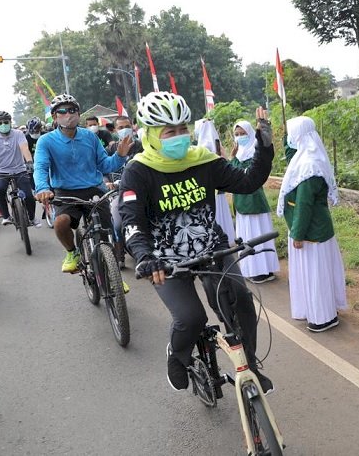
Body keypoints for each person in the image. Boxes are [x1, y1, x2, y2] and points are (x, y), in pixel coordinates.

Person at [119, 91, 275, 393]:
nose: (179, 137)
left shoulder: (204, 160)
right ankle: (177, 356)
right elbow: (131, 221)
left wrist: (264, 147)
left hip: (211, 247)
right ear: (151, 134)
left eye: (182, 129)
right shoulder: (137, 172)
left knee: (241, 301)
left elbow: (247, 181)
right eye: (170, 132)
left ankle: (251, 365)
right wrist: (144, 256)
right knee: (191, 318)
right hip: (163, 259)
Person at [34, 94, 130, 272]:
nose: (68, 114)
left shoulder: (89, 137)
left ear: (79, 114)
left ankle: (114, 276)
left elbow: (105, 165)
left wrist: (120, 156)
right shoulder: (46, 141)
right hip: (65, 192)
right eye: (62, 111)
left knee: (107, 235)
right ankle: (72, 252)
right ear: (55, 117)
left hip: (94, 189)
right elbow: (40, 167)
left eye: (72, 110)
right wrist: (42, 188)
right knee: (60, 223)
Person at [277, 116, 347, 332]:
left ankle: (323, 317)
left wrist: (297, 234)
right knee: (319, 275)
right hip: (315, 229)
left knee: (316, 276)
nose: (289, 138)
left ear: (299, 135)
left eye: (291, 134)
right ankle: (323, 312)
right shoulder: (306, 157)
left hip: (311, 231)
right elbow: (291, 154)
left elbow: (304, 205)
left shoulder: (308, 166)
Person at [230, 120, 280, 283]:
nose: (239, 137)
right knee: (247, 235)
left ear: (250, 134)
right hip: (241, 202)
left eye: (242, 134)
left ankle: (264, 270)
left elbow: (258, 168)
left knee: (259, 235)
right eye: (236, 135)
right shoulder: (237, 154)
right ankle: (253, 270)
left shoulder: (255, 153)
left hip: (254, 201)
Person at [105, 115, 144, 268]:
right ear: (115, 130)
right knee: (117, 224)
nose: (124, 129)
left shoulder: (143, 147)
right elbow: (101, 170)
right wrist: (108, 183)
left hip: (142, 192)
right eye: (120, 127)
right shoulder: (110, 150)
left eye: (127, 126)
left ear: (133, 126)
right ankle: (119, 254)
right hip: (118, 195)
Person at [194, 118, 236, 246]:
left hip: (208, 189)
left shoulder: (201, 148)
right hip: (219, 188)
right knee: (221, 212)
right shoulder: (216, 144)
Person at [0, 110, 39, 227]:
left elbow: (24, 148)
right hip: (1, 172)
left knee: (29, 196)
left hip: (19, 170)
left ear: (10, 122)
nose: (3, 125)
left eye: (5, 122)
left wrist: (30, 162)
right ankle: (6, 216)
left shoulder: (18, 134)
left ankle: (32, 217)